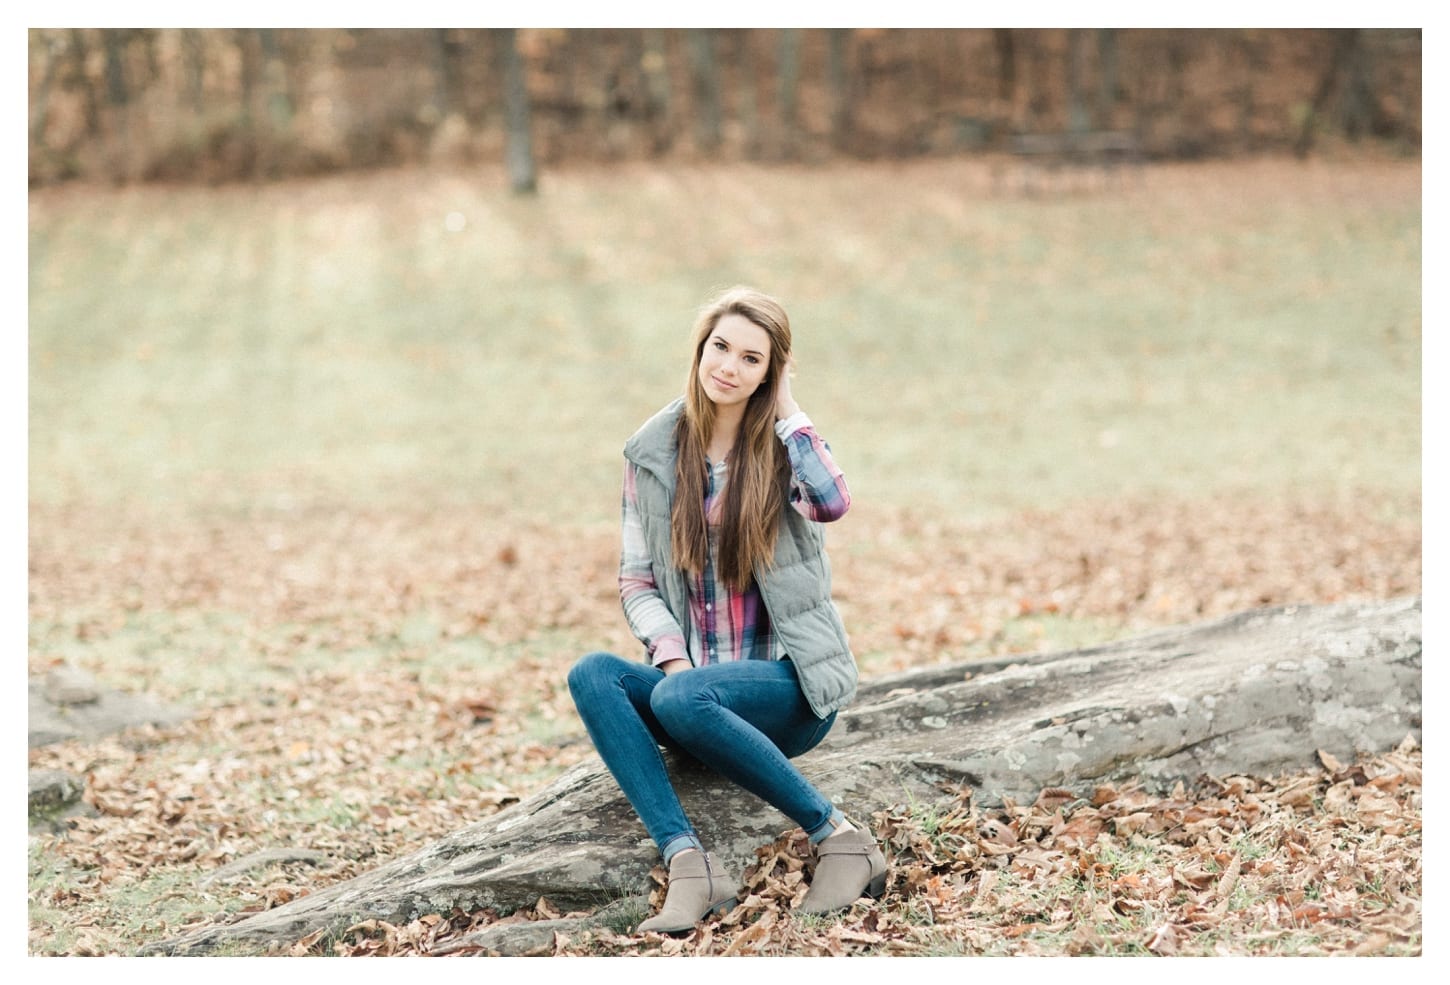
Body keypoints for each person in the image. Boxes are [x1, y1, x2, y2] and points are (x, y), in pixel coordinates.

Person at [567, 286, 887, 934]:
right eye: (720, 347)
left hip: (785, 689)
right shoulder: (653, 453)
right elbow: (636, 579)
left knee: (683, 699)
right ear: (700, 349)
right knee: (593, 675)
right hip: (693, 691)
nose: (729, 367)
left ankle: (841, 838)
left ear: (771, 371)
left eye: (751, 358)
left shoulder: (784, 446)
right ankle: (690, 864)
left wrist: (790, 411)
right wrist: (674, 660)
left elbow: (831, 502)